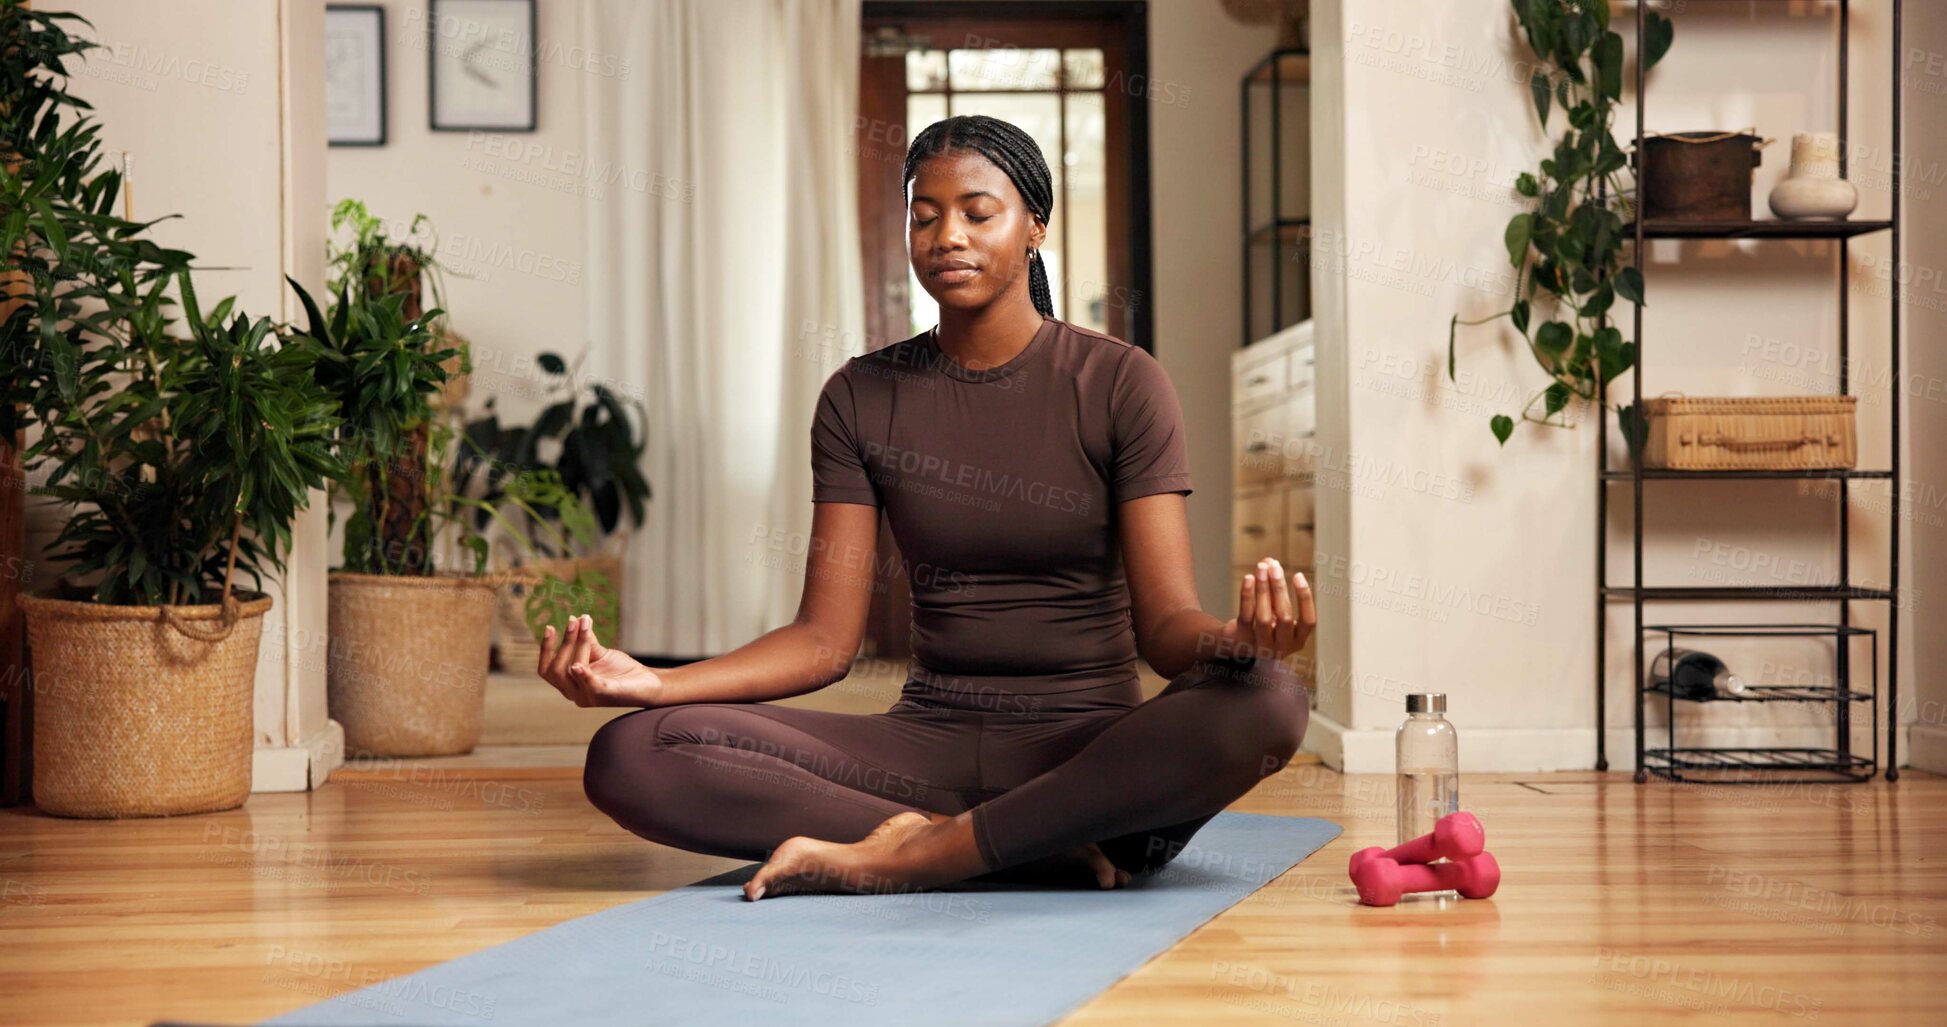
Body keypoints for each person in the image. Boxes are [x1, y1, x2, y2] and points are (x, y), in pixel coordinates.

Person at [539, 114, 1314, 901]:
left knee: (1272, 699)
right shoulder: (859, 395)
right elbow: (822, 641)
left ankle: (924, 854)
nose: (948, 235)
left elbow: (1167, 630)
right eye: (924, 214)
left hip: (1089, 757)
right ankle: (1026, 850)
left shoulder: (1118, 382)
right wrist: (657, 683)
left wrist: (1231, 642)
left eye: (979, 213)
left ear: (1033, 226)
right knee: (634, 751)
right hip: (924, 746)